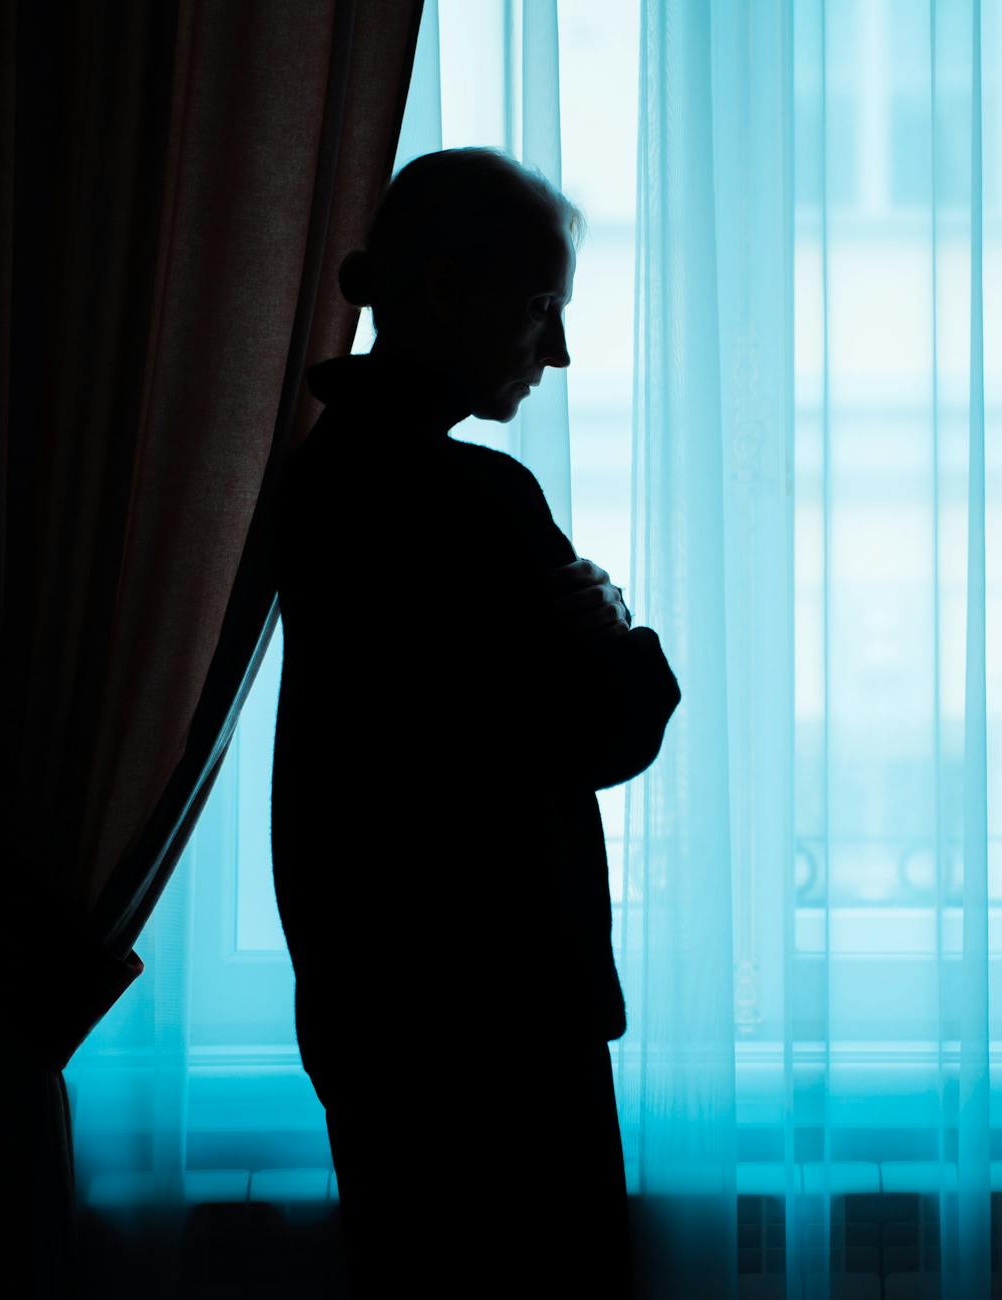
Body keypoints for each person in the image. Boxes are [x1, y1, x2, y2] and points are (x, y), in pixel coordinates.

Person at [270, 147, 679, 1298]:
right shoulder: (471, 497)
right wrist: (619, 624)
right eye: (543, 309)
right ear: (452, 295)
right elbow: (605, 733)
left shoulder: (320, 478)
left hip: (374, 1007)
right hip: (506, 1017)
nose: (555, 351)